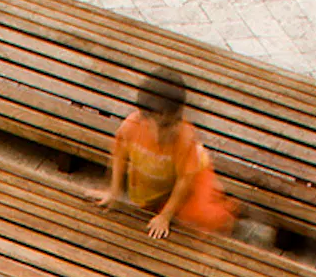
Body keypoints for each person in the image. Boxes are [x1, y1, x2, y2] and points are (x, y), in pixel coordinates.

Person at [97, 73, 235, 242]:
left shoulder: (184, 138)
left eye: (177, 120)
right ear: (144, 119)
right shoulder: (131, 127)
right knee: (150, 206)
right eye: (165, 125)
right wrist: (114, 192)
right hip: (159, 177)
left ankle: (230, 211)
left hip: (194, 176)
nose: (173, 129)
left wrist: (166, 216)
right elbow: (119, 155)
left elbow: (185, 179)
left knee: (199, 216)